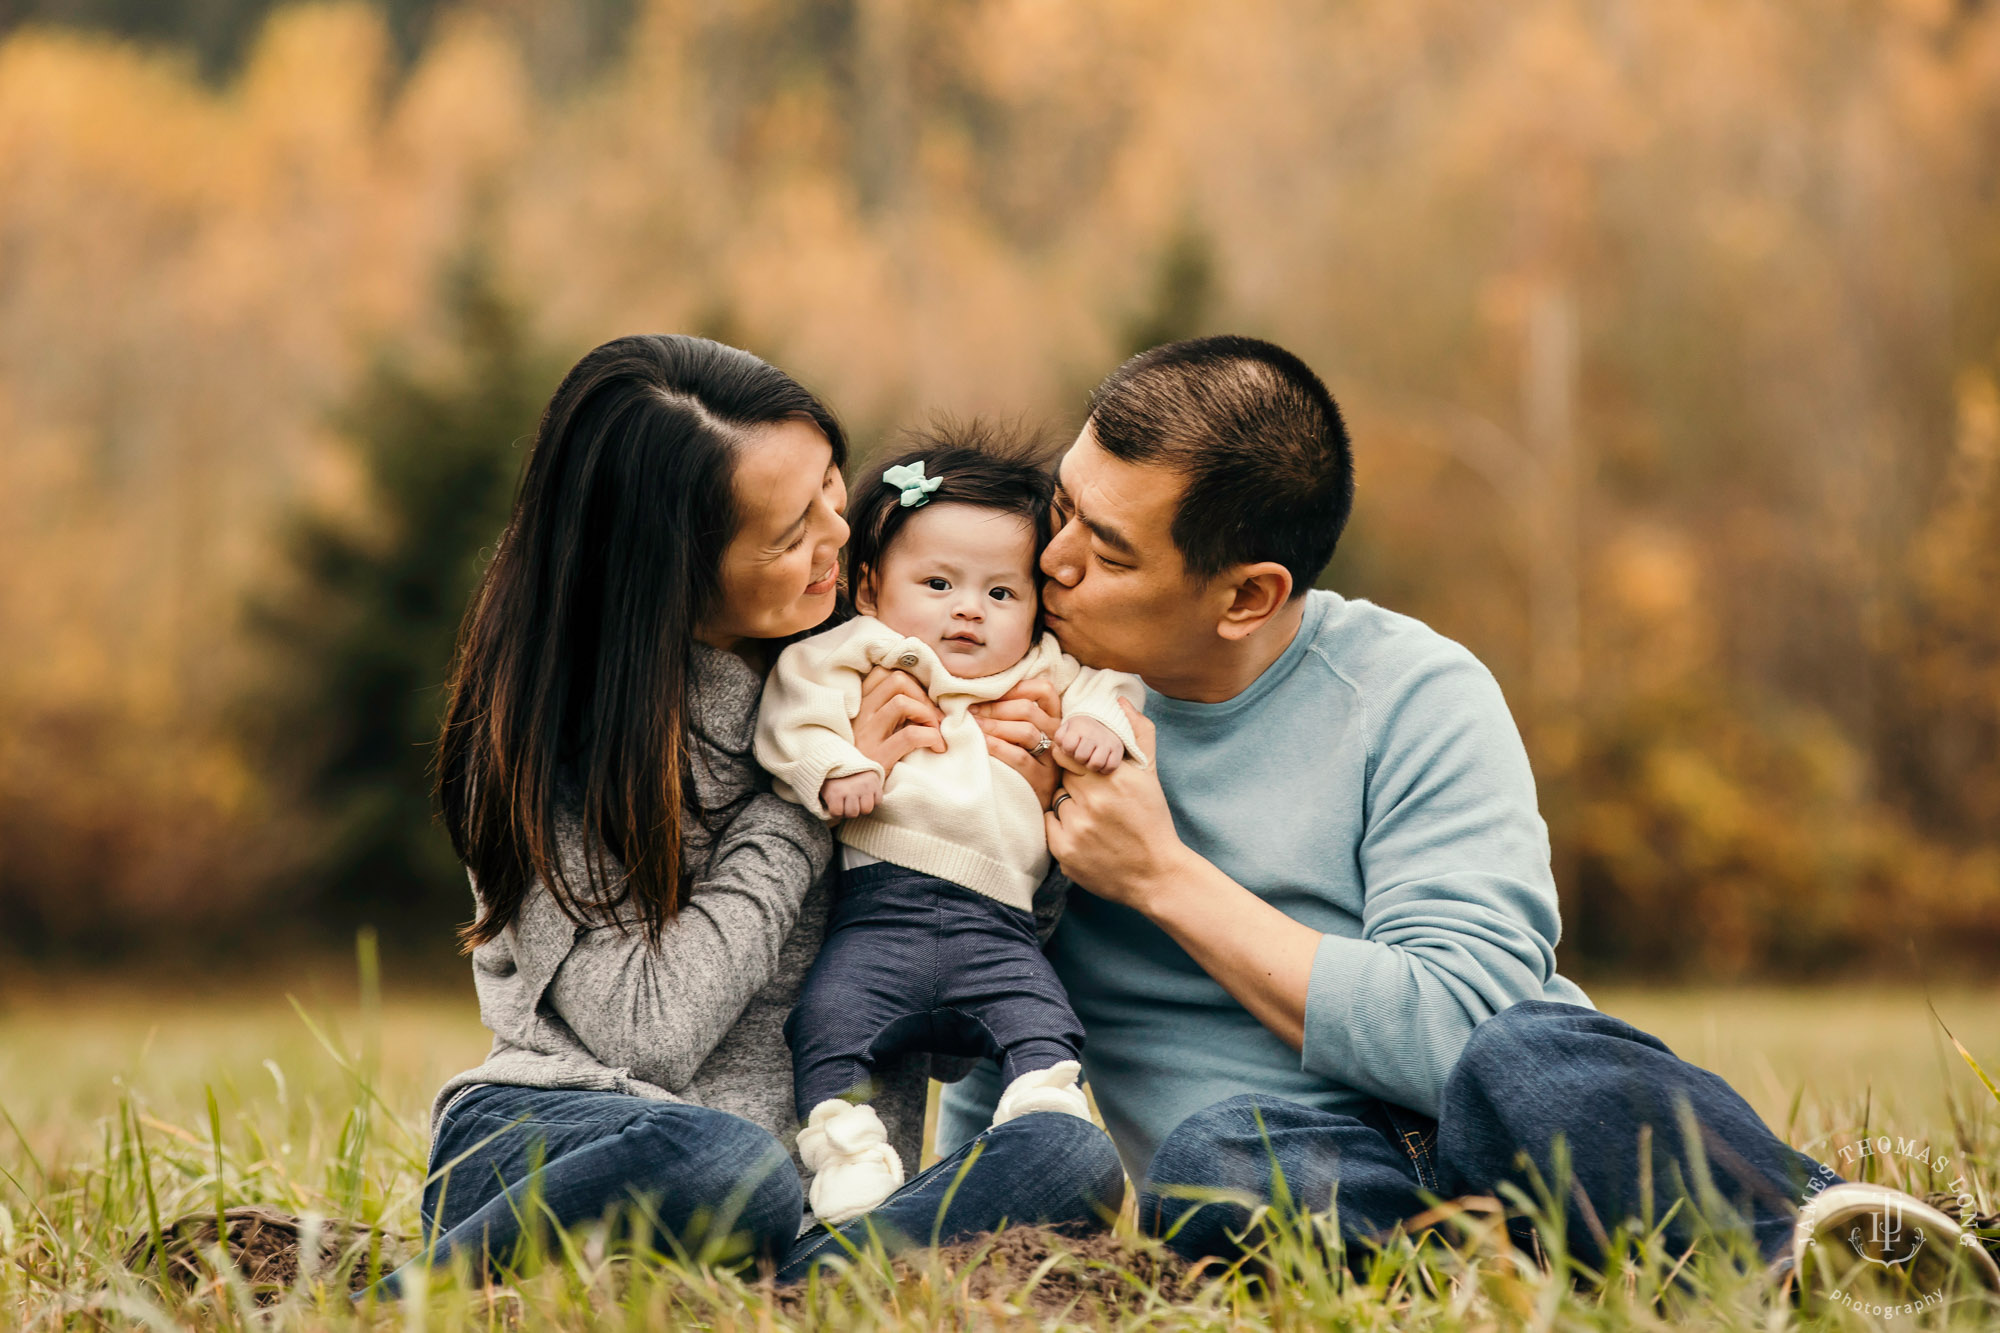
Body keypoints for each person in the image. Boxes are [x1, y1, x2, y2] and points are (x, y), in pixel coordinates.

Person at [938, 335, 2000, 1292]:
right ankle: (1549, 1264)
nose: (1050, 559)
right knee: (1213, 1166)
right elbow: (991, 1012)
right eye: (1062, 504)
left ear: (1248, 596)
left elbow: (1462, 1024)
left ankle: (1823, 1251)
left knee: (1527, 1052)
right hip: (1305, 1171)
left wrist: (1162, 876)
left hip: (1501, 1118)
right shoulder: (1013, 706)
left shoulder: (1414, 693)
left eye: (1108, 550)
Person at [370, 335, 1123, 1298]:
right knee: (726, 1166)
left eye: (829, 492)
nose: (840, 537)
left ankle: (788, 1291)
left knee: (1068, 1160)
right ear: (670, 569)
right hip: (576, 1140)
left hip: (818, 1189)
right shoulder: (552, 744)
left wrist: (1019, 799)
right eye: (786, 535)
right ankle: (392, 1308)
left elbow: (932, 1029)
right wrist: (813, 796)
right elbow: (650, 1031)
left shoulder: (885, 666)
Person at [754, 430, 1143, 1224]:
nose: (969, 608)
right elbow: (792, 710)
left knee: (1042, 1017)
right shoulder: (860, 650)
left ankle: (1041, 1104)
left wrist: (1101, 727)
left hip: (1000, 923)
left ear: (1036, 605)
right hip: (879, 910)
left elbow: (1109, 686)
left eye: (1002, 593)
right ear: (869, 586)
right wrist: (832, 768)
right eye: (936, 582)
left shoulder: (1040, 673)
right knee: (827, 1022)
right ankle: (847, 1146)